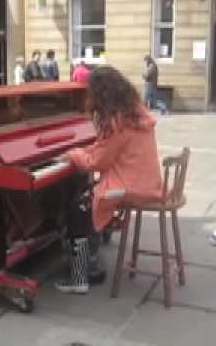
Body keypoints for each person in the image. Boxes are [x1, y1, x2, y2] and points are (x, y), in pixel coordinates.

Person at [56, 66, 163, 293]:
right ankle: (89, 258)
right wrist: (86, 148)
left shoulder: (115, 121)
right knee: (84, 199)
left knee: (79, 207)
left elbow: (96, 163)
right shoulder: (133, 112)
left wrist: (73, 154)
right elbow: (107, 149)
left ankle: (81, 275)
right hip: (145, 181)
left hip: (130, 187)